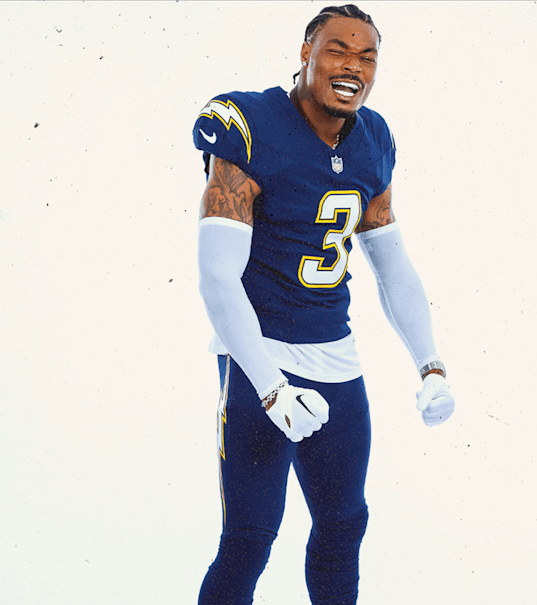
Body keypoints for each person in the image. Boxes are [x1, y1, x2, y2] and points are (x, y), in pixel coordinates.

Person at [193, 6, 455, 603]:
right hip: (258, 352)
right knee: (250, 536)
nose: (353, 67)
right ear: (306, 52)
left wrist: (431, 364)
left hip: (334, 354)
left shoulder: (373, 138)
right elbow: (216, 276)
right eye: (338, 49)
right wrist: (270, 389)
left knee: (344, 525)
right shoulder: (250, 124)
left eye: (367, 56)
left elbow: (391, 264)